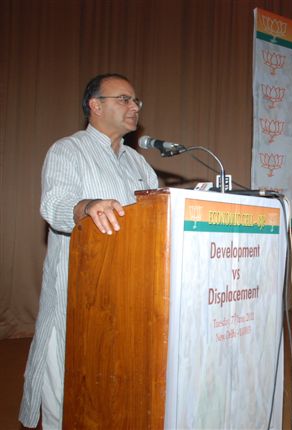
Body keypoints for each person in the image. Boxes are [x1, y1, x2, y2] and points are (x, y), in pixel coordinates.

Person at [19, 73, 158, 429]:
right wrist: (86, 206)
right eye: (124, 99)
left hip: (127, 300)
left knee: (112, 394)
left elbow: (155, 220)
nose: (134, 106)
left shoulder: (138, 163)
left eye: (136, 100)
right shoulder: (68, 150)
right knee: (66, 394)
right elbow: (54, 204)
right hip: (77, 298)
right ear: (95, 106)